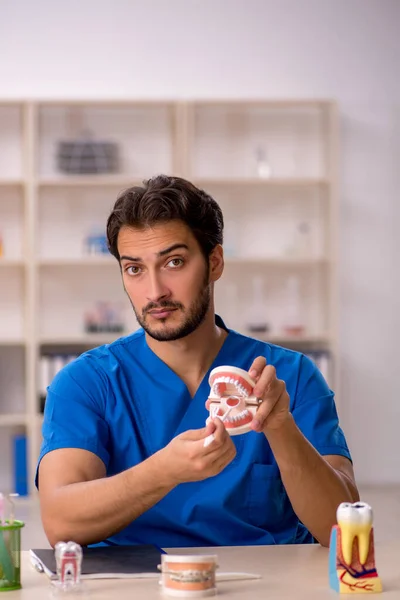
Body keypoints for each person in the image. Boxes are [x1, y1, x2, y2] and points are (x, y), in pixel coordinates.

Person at [36, 174, 359, 549]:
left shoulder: (291, 376)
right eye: (135, 269)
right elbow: (61, 523)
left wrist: (283, 430)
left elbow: (344, 531)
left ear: (215, 262)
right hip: (136, 584)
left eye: (174, 262)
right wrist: (162, 472)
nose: (155, 292)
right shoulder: (86, 383)